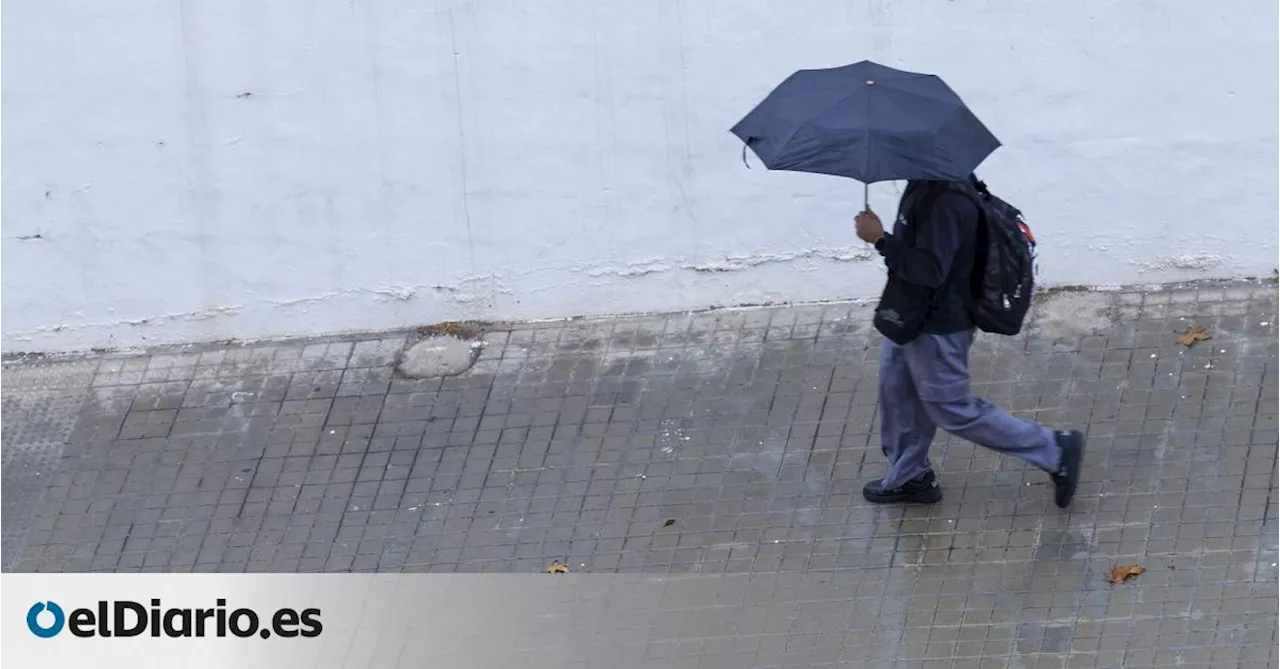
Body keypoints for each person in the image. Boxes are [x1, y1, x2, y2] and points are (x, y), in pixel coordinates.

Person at [853, 179, 1084, 507]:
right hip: (909, 314)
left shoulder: (946, 201)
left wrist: (880, 240)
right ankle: (910, 476)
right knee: (897, 390)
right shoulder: (926, 182)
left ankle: (1054, 448)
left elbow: (930, 271)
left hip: (939, 326)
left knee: (951, 408)